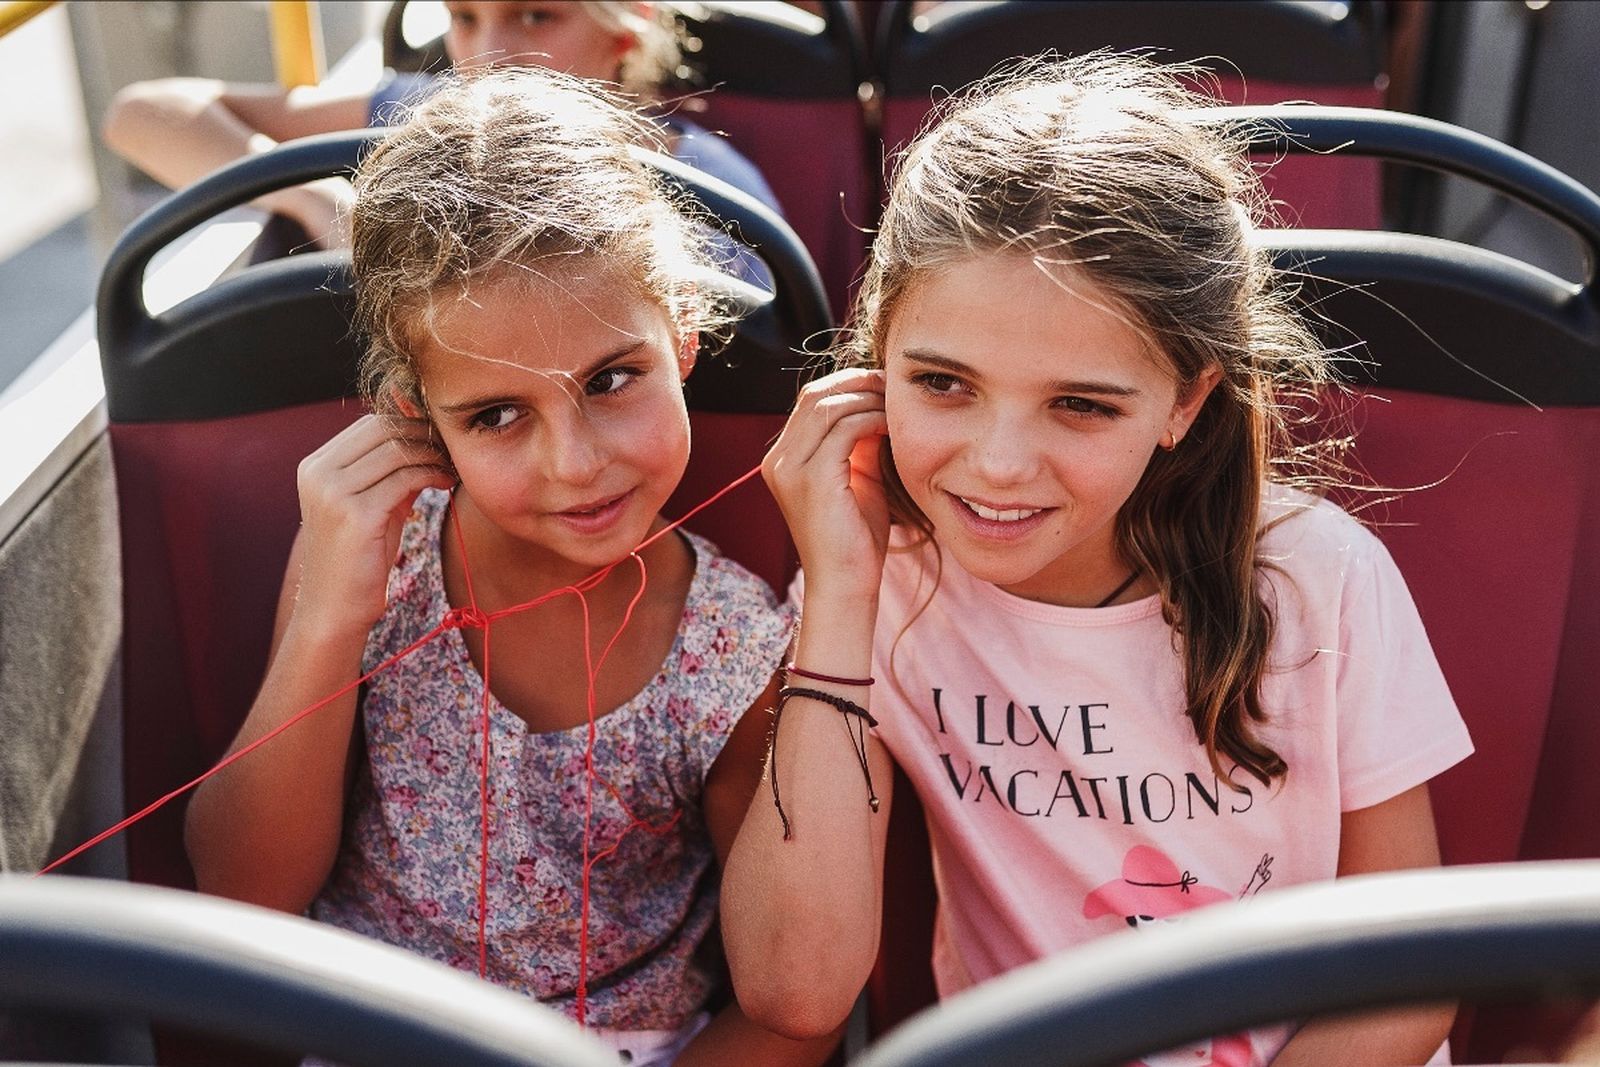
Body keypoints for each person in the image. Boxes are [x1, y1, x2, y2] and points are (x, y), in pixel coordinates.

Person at [723, 53, 1474, 1066]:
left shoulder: (1315, 580)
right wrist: (841, 595)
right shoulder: (880, 582)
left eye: (1078, 404)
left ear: (1184, 401)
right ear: (873, 366)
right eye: (942, 382)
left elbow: (1408, 979)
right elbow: (797, 988)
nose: (996, 463)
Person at [182, 68, 833, 1067]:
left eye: (612, 380)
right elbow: (241, 890)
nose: (574, 462)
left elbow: (788, 1005)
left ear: (683, 339)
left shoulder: (738, 650)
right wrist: (328, 621)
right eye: (495, 415)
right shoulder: (372, 556)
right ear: (416, 421)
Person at [101, 1, 781, 250]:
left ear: (623, 31)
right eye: (464, 17)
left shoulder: (705, 185)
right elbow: (143, 114)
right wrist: (315, 197)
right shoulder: (428, 118)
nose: (484, 56)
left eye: (535, 16)